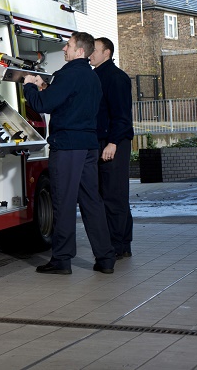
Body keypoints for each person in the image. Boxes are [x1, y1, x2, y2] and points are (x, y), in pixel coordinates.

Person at [23, 32, 117, 275]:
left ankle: (62, 259)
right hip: (88, 144)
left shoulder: (68, 74)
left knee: (63, 201)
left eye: (68, 45)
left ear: (79, 51)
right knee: (91, 201)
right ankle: (106, 258)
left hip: (67, 146)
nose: (64, 48)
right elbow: (69, 102)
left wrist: (28, 87)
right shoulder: (91, 77)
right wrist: (46, 88)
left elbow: (43, 104)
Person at [89, 37, 135, 259]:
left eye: (94, 50)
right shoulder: (97, 76)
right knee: (113, 193)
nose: (90, 54)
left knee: (113, 195)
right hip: (106, 141)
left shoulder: (116, 78)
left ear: (106, 52)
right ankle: (123, 243)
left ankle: (117, 245)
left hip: (113, 142)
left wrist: (113, 143)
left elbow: (122, 116)